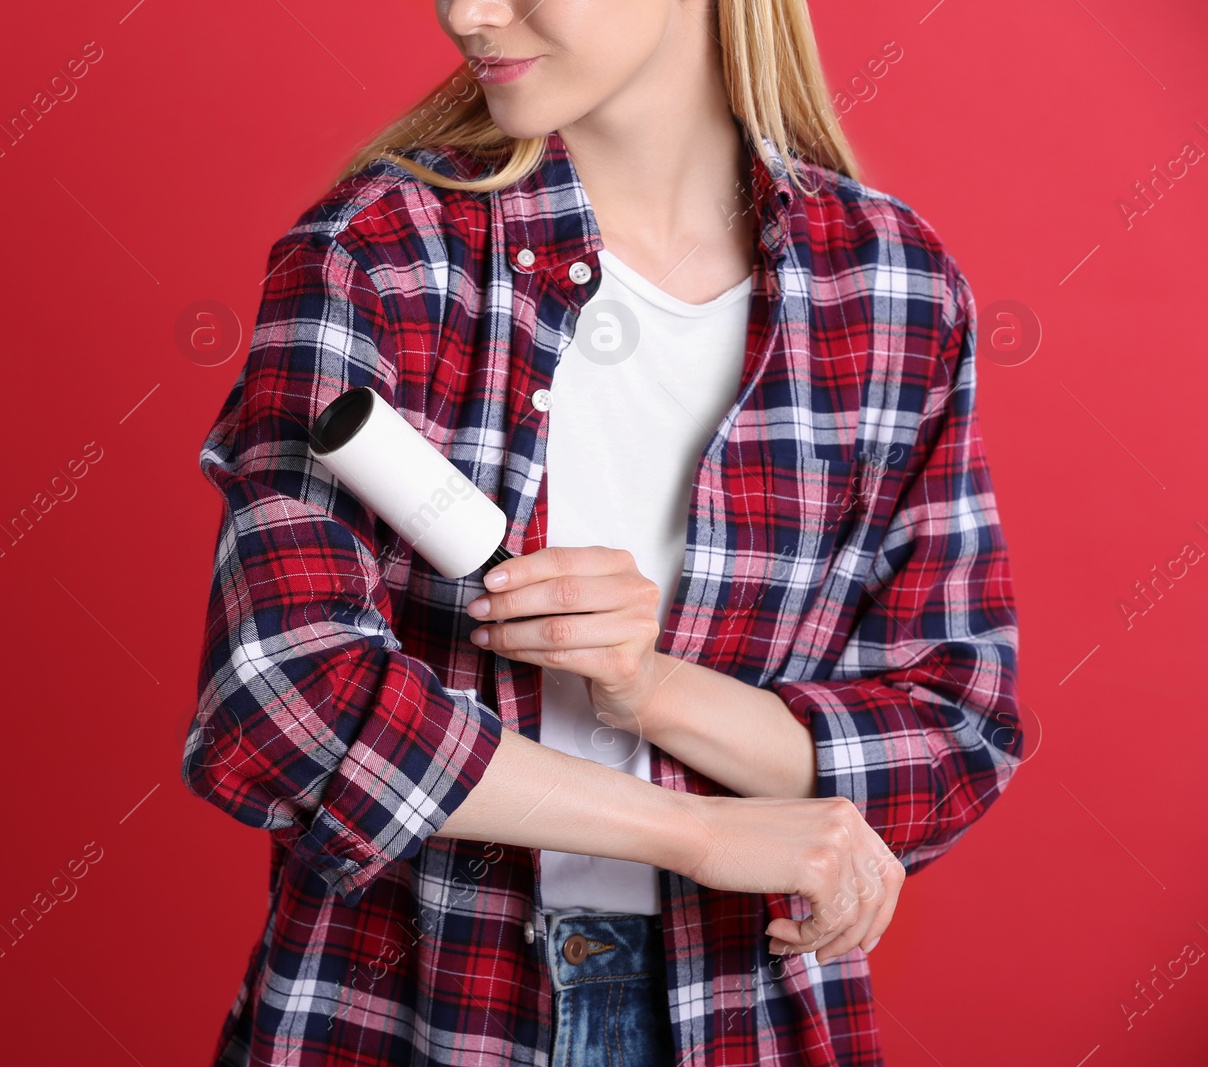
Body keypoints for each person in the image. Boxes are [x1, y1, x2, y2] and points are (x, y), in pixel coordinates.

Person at [181, 0, 1023, 1063]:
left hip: (743, 1017)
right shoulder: (380, 254)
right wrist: (699, 830)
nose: (465, 13)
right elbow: (280, 704)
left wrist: (653, 689)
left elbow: (954, 730)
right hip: (405, 1011)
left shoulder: (888, 286)